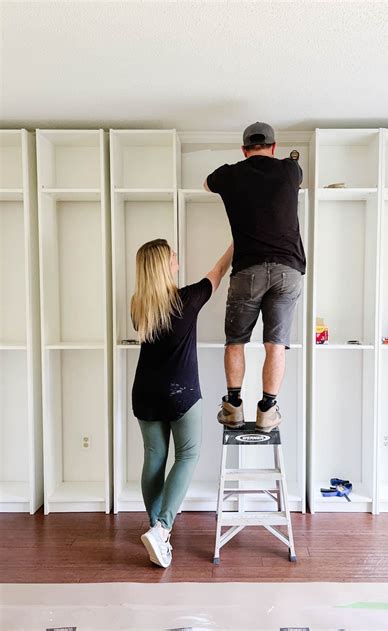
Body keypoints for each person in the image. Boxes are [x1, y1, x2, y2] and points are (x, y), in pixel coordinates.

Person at [131, 238, 233, 568]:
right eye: (173, 257)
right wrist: (236, 242)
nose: (178, 260)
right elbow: (217, 272)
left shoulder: (138, 305)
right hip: (181, 394)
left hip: (145, 392)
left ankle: (156, 527)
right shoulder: (187, 300)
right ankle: (161, 529)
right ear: (164, 266)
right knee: (187, 455)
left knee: (154, 457)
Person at [204, 122, 305, 433]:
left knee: (236, 342)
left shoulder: (229, 174)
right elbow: (293, 174)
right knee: (276, 345)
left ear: (244, 150)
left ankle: (233, 407)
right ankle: (267, 409)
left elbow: (207, 185)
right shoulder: (290, 170)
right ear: (274, 148)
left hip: (248, 270)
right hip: (287, 271)